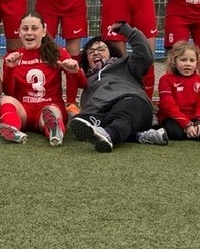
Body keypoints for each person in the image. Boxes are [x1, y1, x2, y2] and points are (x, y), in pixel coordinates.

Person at [0, 12, 86, 146]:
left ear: (43, 31)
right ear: (19, 32)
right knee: (5, 100)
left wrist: (75, 71)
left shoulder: (58, 53)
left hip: (49, 106)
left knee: (51, 112)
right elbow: (9, 92)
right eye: (25, 29)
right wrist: (10, 69)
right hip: (24, 110)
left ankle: (55, 132)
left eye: (34, 28)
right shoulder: (13, 57)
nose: (29, 33)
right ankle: (13, 130)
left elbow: (83, 84)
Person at [68, 23, 161, 153]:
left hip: (133, 102)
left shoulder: (125, 64)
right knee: (81, 120)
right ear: (86, 60)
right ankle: (139, 136)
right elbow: (89, 107)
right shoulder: (87, 83)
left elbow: (145, 55)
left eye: (101, 49)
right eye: (91, 52)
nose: (96, 53)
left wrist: (127, 31)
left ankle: (109, 134)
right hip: (106, 113)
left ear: (110, 52)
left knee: (122, 112)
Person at [147, 41, 200, 143]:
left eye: (192, 60)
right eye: (183, 60)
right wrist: (186, 124)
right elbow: (168, 105)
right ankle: (154, 129)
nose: (188, 64)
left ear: (197, 62)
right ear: (174, 61)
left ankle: (194, 130)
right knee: (176, 133)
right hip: (173, 118)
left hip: (193, 118)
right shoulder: (166, 80)